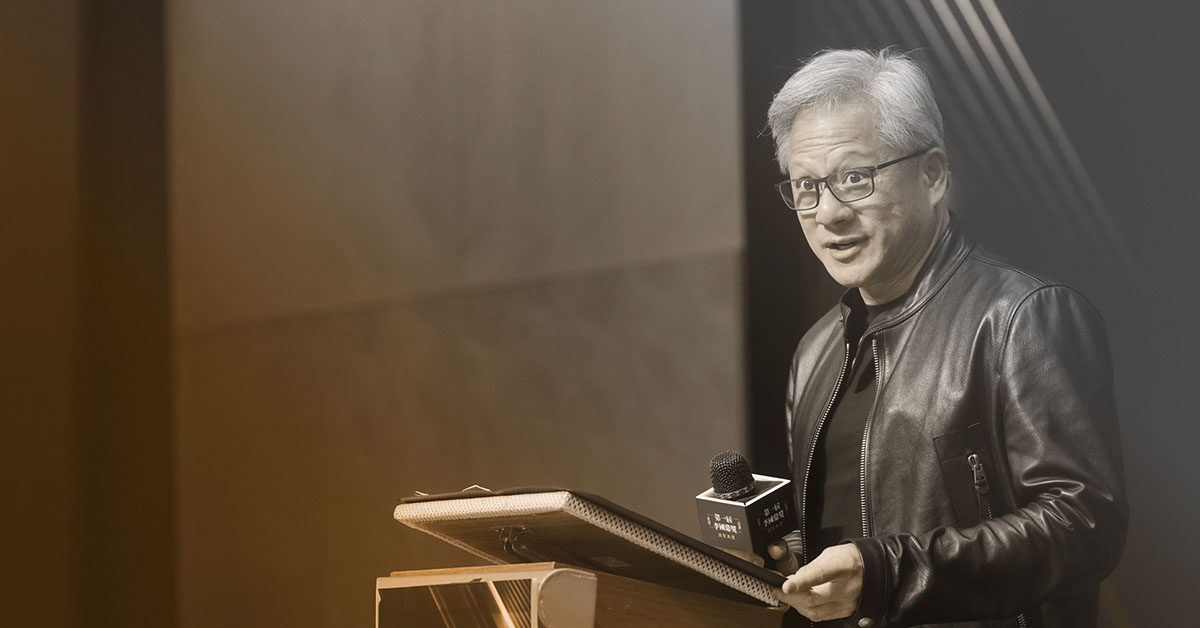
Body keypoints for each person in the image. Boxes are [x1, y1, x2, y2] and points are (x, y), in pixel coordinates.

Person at [758, 49, 1127, 628]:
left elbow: (1082, 524)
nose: (827, 212)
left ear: (932, 174)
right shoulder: (816, 351)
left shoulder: (1021, 316)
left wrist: (886, 576)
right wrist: (796, 560)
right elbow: (859, 534)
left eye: (854, 178)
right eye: (807, 186)